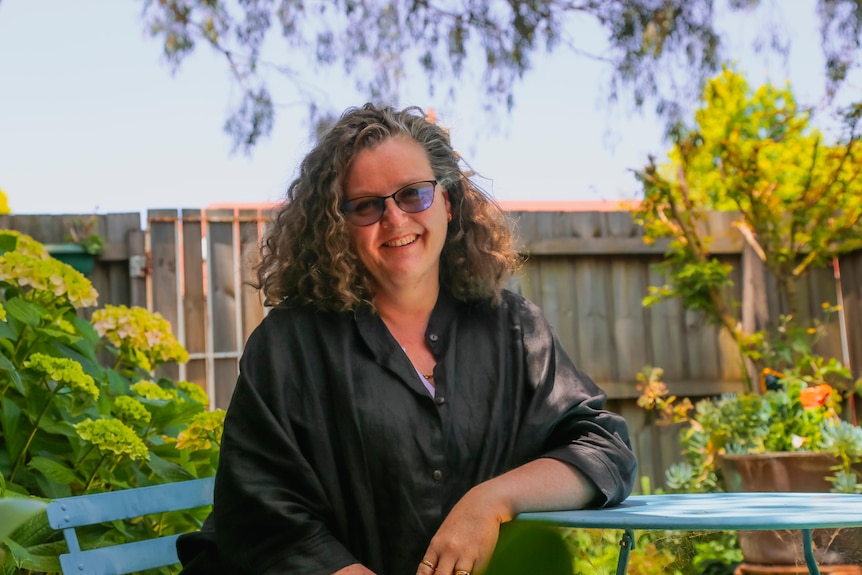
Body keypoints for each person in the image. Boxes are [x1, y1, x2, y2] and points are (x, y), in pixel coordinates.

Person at [177, 103, 637, 575]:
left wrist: (489, 502)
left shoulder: (514, 329)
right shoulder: (288, 345)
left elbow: (603, 448)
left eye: (413, 194)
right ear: (336, 227)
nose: (394, 220)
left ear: (448, 202)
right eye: (366, 205)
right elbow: (257, 509)